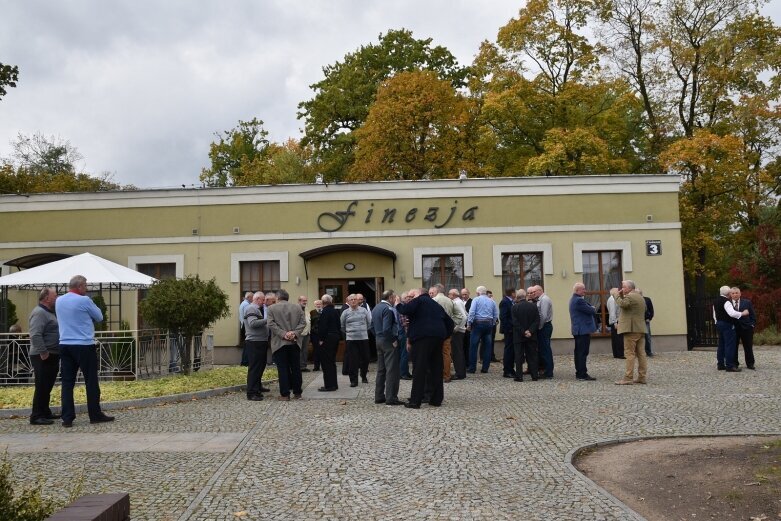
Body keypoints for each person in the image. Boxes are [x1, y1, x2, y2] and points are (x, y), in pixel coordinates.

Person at [56, 275, 114, 427]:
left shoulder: (59, 300)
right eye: (86, 286)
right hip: (83, 344)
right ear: (80, 286)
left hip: (64, 344)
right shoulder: (84, 300)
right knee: (91, 381)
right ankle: (95, 414)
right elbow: (100, 317)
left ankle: (67, 417)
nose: (87, 288)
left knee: (67, 383)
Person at [396, 288, 454, 409]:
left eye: (412, 297)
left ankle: (415, 401)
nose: (410, 299)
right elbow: (450, 322)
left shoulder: (420, 300)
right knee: (436, 369)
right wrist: (444, 336)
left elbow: (404, 310)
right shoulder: (435, 304)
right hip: (437, 338)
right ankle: (436, 399)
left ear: (418, 295)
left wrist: (397, 304)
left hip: (422, 338)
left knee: (419, 369)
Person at [28, 287, 61, 425]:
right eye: (55, 296)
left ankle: (45, 411)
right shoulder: (40, 313)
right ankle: (36, 416)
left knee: (47, 385)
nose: (57, 298)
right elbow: (35, 334)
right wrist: (43, 352)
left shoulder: (48, 312)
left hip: (51, 354)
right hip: (42, 355)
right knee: (41, 385)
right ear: (46, 298)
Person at [266, 289, 306, 400]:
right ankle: (298, 393)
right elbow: (303, 323)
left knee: (282, 369)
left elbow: (271, 324)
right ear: (287, 297)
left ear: (277, 298)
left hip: (280, 343)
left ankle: (285, 394)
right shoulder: (298, 307)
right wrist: (294, 333)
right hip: (294, 342)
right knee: (296, 368)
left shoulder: (271, 308)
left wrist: (283, 334)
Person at [612, 281, 648, 385]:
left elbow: (622, 304)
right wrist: (621, 295)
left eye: (623, 287)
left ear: (629, 288)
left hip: (631, 330)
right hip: (640, 329)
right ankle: (642, 377)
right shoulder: (640, 297)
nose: (622, 288)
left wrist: (615, 294)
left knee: (629, 354)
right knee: (641, 354)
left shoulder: (631, 296)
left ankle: (628, 378)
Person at [371, 289, 404, 405]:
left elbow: (371, 326)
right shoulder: (388, 309)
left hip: (379, 340)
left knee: (381, 370)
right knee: (392, 370)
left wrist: (378, 336)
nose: (395, 299)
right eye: (394, 297)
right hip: (388, 341)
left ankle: (379, 396)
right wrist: (393, 340)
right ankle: (391, 397)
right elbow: (387, 329)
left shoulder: (376, 308)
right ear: (390, 298)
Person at [430, 284, 463, 383]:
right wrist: (452, 323)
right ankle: (447, 375)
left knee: (435, 353)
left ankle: (436, 374)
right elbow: (460, 315)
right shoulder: (450, 301)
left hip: (435, 330)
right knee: (446, 353)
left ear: (436, 290)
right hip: (447, 330)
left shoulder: (433, 301)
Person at [714, 285, 748, 372]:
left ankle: (720, 364)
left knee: (721, 345)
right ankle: (730, 365)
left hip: (719, 323)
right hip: (727, 325)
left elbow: (714, 314)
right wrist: (743, 313)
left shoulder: (716, 301)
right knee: (730, 345)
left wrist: (716, 322)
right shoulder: (726, 301)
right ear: (728, 293)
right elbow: (732, 313)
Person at [568, 282, 597, 381]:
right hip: (582, 331)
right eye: (583, 289)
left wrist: (591, 308)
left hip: (579, 330)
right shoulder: (579, 300)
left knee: (579, 352)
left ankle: (579, 373)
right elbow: (592, 311)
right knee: (582, 353)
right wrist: (592, 308)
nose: (585, 290)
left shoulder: (575, 299)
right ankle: (582, 374)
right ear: (577, 290)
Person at [341, 294, 372, 387]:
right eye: (352, 299)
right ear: (348, 301)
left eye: (355, 299)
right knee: (352, 360)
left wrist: (362, 331)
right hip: (351, 339)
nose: (354, 301)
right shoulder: (345, 312)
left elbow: (369, 323)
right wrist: (351, 332)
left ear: (358, 301)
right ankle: (353, 380)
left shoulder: (364, 311)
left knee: (365, 359)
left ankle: (363, 376)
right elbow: (342, 326)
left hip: (363, 338)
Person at [466, 286, 499, 374]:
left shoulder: (476, 300)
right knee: (487, 347)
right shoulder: (492, 301)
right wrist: (492, 324)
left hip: (477, 324)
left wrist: (469, 324)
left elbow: (472, 312)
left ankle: (472, 368)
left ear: (478, 293)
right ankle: (485, 368)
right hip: (488, 324)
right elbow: (496, 314)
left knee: (473, 346)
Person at [243, 291, 269, 401]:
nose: (264, 303)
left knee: (260, 366)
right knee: (255, 368)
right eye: (263, 300)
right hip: (254, 342)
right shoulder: (251, 308)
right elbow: (252, 323)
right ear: (257, 299)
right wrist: (268, 320)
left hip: (260, 341)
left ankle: (257, 387)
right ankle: (252, 392)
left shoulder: (256, 309)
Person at [511, 289, 539, 382]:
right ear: (526, 296)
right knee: (532, 355)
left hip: (519, 336)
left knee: (518, 356)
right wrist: (530, 331)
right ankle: (534, 375)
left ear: (518, 297)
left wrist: (523, 332)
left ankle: (519, 376)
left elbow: (515, 322)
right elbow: (537, 320)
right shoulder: (533, 306)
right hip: (531, 335)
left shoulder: (514, 307)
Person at [317, 294, 341, 391]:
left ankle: (329, 385)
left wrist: (321, 339)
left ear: (323, 302)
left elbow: (323, 327)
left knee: (326, 363)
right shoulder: (335, 311)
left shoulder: (325, 312)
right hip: (335, 337)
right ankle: (334, 384)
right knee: (332, 362)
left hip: (327, 339)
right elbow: (339, 325)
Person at [531, 285, 554, 379]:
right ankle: (546, 370)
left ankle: (548, 372)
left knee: (545, 350)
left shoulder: (544, 299)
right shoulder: (541, 299)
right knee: (544, 349)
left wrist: (539, 327)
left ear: (540, 290)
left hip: (544, 326)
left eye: (535, 292)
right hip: (544, 326)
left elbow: (543, 316)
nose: (533, 293)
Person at [731, 287, 756, 370]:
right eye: (733, 293)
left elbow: (752, 315)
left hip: (746, 328)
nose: (735, 294)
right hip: (733, 329)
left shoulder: (747, 302)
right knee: (734, 347)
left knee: (748, 346)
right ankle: (734, 364)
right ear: (730, 294)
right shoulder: (728, 304)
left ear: (740, 293)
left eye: (736, 293)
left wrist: (752, 325)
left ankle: (750, 363)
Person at [448, 288, 468, 380]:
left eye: (449, 294)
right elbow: (466, 315)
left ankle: (459, 373)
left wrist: (457, 328)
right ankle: (460, 372)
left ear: (453, 295)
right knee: (458, 352)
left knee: (457, 353)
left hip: (458, 332)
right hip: (460, 330)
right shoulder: (459, 302)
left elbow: (463, 317)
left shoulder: (456, 302)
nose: (448, 296)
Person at [499, 288, 516, 378]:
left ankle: (511, 369)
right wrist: (509, 328)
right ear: (512, 293)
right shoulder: (505, 302)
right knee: (509, 350)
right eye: (515, 292)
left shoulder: (511, 301)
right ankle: (507, 370)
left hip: (512, 330)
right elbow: (503, 317)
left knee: (512, 350)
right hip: (509, 330)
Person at [397, 292, 412, 380]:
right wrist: (408, 336)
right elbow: (404, 323)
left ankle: (406, 372)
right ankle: (403, 373)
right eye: (406, 297)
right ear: (402, 299)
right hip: (404, 333)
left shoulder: (405, 307)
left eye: (409, 297)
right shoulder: (402, 307)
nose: (408, 298)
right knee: (404, 353)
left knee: (405, 353)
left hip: (403, 333)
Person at [606, 290, 624, 359]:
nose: (619, 292)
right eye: (617, 291)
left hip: (615, 321)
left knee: (616, 338)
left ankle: (616, 354)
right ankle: (620, 354)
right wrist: (615, 322)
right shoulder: (612, 299)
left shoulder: (612, 299)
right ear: (614, 292)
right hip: (616, 321)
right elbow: (612, 312)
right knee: (618, 338)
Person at [639, 289, 654, 357]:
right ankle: (639, 352)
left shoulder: (647, 299)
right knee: (637, 337)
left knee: (647, 336)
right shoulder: (634, 300)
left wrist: (649, 318)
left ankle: (648, 351)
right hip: (637, 321)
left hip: (645, 321)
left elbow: (651, 310)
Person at [239, 292, 253, 366]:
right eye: (252, 297)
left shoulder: (242, 304)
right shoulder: (247, 305)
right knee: (248, 345)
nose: (253, 299)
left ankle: (245, 361)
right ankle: (245, 362)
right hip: (246, 326)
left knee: (246, 345)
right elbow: (248, 317)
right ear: (249, 297)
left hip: (243, 325)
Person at [298, 295, 311, 372]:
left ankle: (303, 366)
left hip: (307, 333)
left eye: (306, 300)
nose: (305, 302)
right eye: (303, 301)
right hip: (299, 334)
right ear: (299, 301)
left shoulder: (306, 309)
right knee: (299, 350)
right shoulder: (296, 309)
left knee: (305, 350)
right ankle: (299, 366)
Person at [310, 299, 323, 371]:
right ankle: (316, 366)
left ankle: (324, 365)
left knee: (324, 350)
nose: (318, 305)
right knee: (316, 350)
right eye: (317, 304)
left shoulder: (324, 312)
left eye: (320, 304)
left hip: (323, 334)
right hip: (314, 334)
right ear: (314, 305)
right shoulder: (312, 312)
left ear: (322, 304)